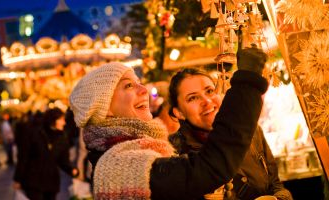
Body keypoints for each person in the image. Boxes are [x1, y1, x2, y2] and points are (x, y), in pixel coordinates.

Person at [68, 45, 269, 199]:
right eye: (128, 86)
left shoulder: (142, 151)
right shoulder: (119, 166)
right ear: (106, 109)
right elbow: (208, 169)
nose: (143, 90)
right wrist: (247, 84)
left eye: (139, 83)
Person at [167, 65, 292, 198]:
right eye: (193, 98)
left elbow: (276, 185)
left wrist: (279, 198)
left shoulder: (249, 129)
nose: (207, 101)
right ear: (179, 113)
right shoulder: (174, 155)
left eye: (209, 91)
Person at [13, 108, 78, 200]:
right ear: (53, 120)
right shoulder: (34, 133)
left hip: (51, 183)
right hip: (33, 181)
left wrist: (72, 170)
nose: (64, 123)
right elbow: (23, 157)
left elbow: (63, 160)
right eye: (61, 119)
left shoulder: (62, 137)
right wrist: (17, 179)